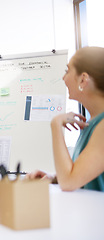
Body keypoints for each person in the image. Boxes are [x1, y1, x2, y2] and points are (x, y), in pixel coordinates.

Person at [27, 46, 104, 192]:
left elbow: (69, 183)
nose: (64, 78)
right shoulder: (93, 123)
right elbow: (84, 174)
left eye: (67, 71)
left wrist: (56, 124)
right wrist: (54, 178)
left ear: (83, 79)